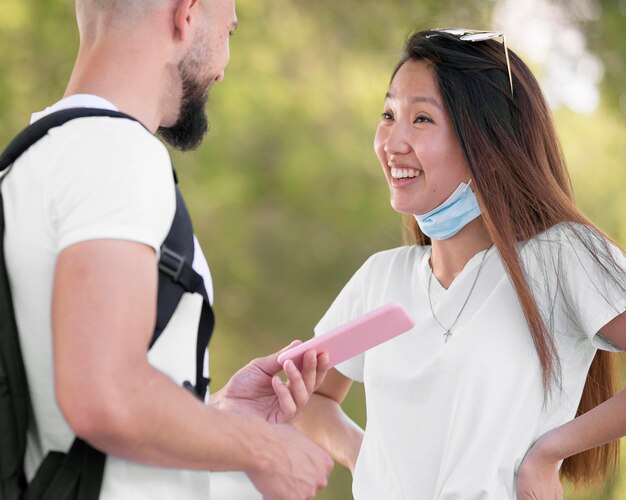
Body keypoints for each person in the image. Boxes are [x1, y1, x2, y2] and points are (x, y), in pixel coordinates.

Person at [1, 0, 334, 499]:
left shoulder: (28, 162)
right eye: (229, 32)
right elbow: (102, 394)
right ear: (187, 15)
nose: (222, 69)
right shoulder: (118, 153)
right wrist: (265, 447)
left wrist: (216, 415)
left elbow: (64, 413)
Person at [296, 28, 626, 499]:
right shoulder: (380, 280)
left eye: (422, 119)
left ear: (488, 144)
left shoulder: (560, 258)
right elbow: (312, 399)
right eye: (389, 114)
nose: (393, 142)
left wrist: (549, 452)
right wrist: (364, 457)